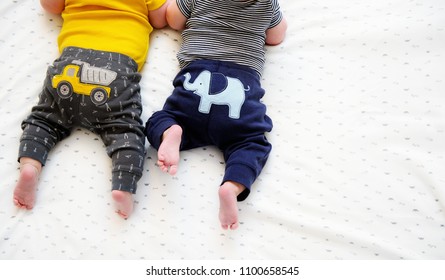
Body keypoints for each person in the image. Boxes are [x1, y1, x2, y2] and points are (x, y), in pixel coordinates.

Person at [13, 0, 170, 219]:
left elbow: (50, 6)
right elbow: (161, 18)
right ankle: (123, 186)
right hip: (116, 72)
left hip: (70, 62)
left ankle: (30, 166)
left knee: (43, 120)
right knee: (125, 132)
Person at [145, 0, 287, 230]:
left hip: (198, 78)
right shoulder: (268, 4)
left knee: (159, 120)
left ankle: (173, 130)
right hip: (239, 87)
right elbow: (276, 37)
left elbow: (173, 20)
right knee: (251, 144)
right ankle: (232, 185)